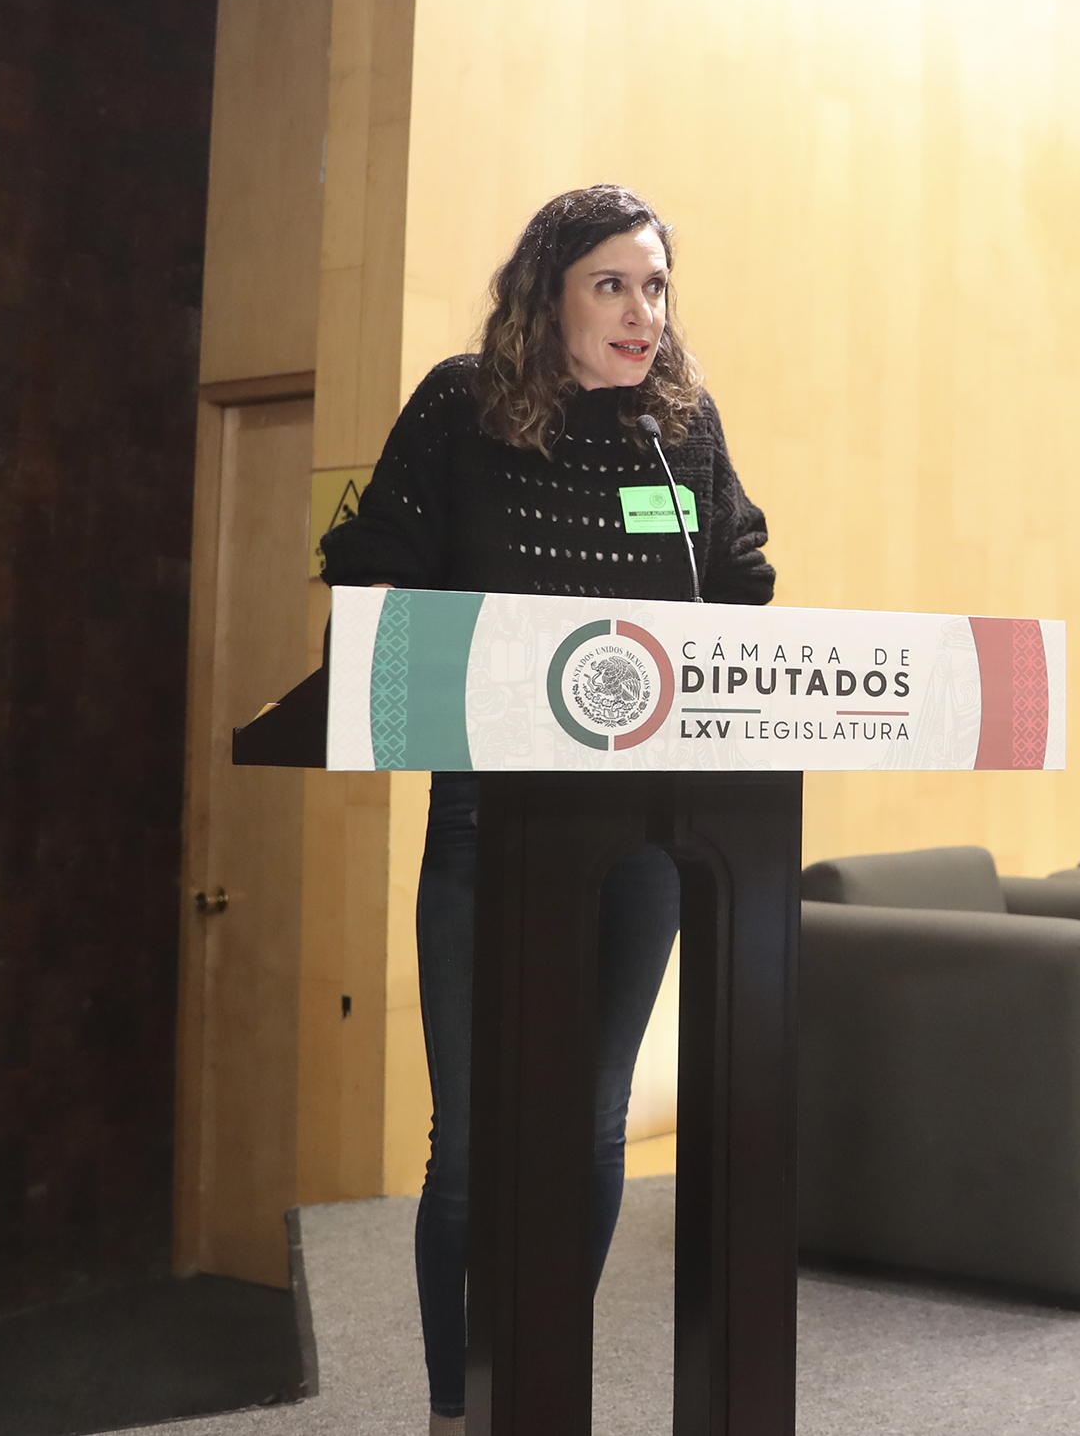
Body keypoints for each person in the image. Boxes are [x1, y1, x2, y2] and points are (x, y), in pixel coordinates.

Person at [320, 185, 774, 1435]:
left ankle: (535, 1380)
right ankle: (454, 1407)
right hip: (490, 817)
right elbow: (375, 572)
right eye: (611, 284)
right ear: (548, 295)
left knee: (592, 1123)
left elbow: (740, 577)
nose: (643, 312)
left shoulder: (679, 429)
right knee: (474, 1140)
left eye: (656, 286)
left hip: (646, 829)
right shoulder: (462, 407)